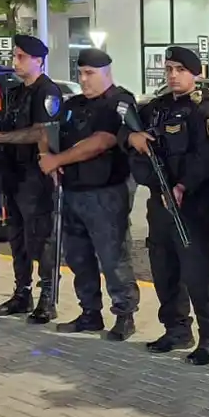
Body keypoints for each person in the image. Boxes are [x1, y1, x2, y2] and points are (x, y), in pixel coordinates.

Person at [126, 46, 209, 365]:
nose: (172, 75)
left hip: (192, 206)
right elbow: (124, 130)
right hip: (159, 203)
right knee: (164, 268)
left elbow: (207, 157)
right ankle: (177, 329)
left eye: (179, 70)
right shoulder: (156, 108)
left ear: (194, 74)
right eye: (168, 69)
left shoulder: (205, 111)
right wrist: (133, 139)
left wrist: (183, 186)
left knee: (198, 273)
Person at [38, 47, 140, 341]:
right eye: (80, 73)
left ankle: (124, 314)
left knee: (112, 257)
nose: (83, 79)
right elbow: (48, 129)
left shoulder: (119, 102)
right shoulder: (74, 104)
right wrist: (47, 155)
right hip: (73, 191)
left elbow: (102, 141)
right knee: (78, 257)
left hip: (106, 192)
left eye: (90, 73)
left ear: (107, 72)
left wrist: (57, 161)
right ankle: (89, 313)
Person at [0, 34, 63, 323]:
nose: (16, 61)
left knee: (40, 238)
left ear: (38, 60)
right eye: (15, 56)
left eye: (22, 57)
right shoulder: (15, 93)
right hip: (12, 173)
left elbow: (42, 132)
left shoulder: (47, 92)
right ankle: (21, 293)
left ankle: (47, 299)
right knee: (17, 237)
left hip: (34, 177)